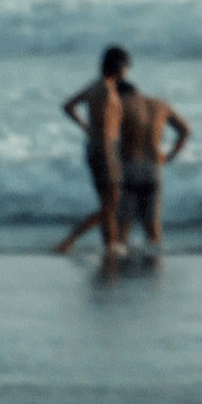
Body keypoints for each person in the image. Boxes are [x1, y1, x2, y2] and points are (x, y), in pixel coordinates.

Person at [57, 45, 130, 261]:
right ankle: (69, 240)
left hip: (93, 147)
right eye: (125, 67)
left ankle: (111, 245)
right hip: (107, 149)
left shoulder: (94, 87)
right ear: (119, 67)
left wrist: (85, 126)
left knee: (107, 202)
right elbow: (110, 125)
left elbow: (68, 105)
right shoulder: (108, 92)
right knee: (112, 204)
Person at [110, 67, 190, 254]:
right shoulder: (160, 104)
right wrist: (170, 155)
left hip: (129, 166)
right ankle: (154, 272)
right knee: (153, 227)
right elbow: (185, 131)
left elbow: (109, 137)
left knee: (123, 226)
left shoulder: (120, 104)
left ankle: (122, 270)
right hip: (154, 169)